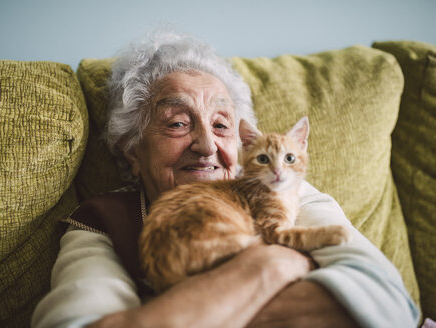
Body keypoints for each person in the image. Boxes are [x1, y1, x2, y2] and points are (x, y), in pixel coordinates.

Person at [31, 31, 419, 328]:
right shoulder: (98, 221)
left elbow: (388, 304)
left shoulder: (286, 189)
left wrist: (176, 310)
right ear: (133, 151)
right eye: (178, 123)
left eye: (221, 125)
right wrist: (271, 265)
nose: (206, 145)